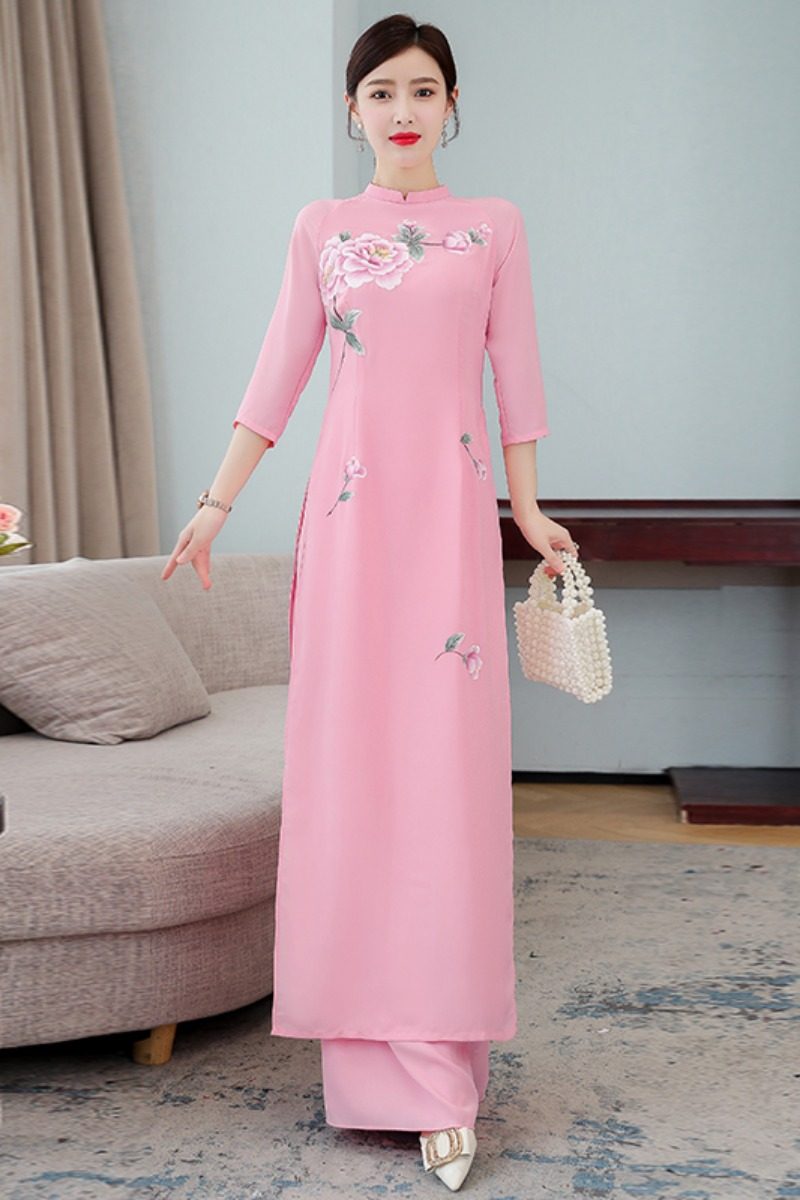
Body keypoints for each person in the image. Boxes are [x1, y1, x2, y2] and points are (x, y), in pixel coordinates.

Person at [163, 12, 576, 1192]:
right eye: (381, 90)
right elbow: (277, 373)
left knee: (444, 785)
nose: (402, 109)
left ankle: (442, 1080)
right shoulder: (322, 229)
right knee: (350, 779)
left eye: (422, 90)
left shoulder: (492, 227)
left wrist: (527, 510)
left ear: (452, 106)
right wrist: (215, 503)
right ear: (351, 110)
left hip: (446, 526)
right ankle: (364, 1073)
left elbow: (515, 373)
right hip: (348, 530)